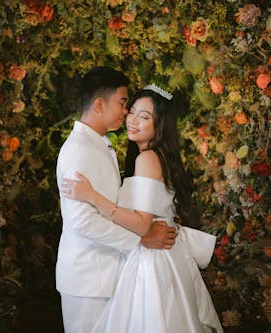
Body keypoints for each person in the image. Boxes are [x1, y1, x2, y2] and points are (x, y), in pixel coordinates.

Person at [61, 84, 224, 332]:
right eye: (131, 111)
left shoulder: (147, 158)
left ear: (160, 126)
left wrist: (92, 196)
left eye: (144, 116)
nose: (133, 120)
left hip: (153, 260)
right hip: (156, 256)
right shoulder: (152, 157)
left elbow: (141, 224)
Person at [55, 67, 178, 333]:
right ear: (99, 104)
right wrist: (141, 240)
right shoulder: (79, 150)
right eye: (124, 104)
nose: (126, 113)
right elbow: (82, 222)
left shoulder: (101, 144)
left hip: (110, 275)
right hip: (89, 279)